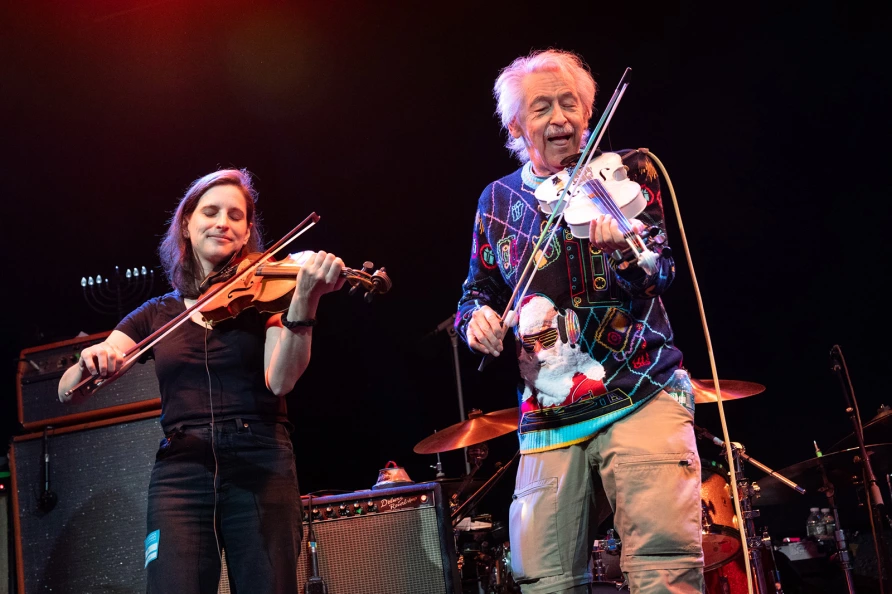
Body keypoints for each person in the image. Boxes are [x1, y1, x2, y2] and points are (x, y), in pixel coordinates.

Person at [455, 49, 704, 593]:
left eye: (571, 104)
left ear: (590, 115)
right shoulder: (496, 200)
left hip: (638, 389)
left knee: (666, 566)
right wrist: (475, 320)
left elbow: (659, 272)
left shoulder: (628, 173)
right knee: (543, 578)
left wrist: (624, 253)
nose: (561, 119)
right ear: (517, 126)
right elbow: (478, 292)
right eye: (542, 108)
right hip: (548, 417)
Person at [58, 168, 345, 593]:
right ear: (187, 225)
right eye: (210, 212)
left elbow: (281, 381)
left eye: (235, 215)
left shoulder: (268, 293)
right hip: (182, 468)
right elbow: (67, 390)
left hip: (260, 459)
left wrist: (305, 299)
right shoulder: (156, 313)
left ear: (248, 231)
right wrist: (89, 360)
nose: (222, 223)